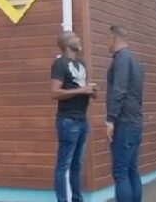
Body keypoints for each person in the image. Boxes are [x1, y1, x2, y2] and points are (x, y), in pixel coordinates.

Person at [50, 31, 97, 202]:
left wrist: (90, 92)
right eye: (75, 37)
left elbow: (81, 89)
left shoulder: (81, 64)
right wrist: (82, 90)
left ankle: (77, 199)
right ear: (67, 43)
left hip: (82, 121)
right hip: (67, 121)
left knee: (77, 165)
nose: (79, 39)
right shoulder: (59, 64)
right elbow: (54, 93)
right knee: (63, 166)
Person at [105, 24, 145, 202]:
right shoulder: (134, 61)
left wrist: (110, 119)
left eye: (108, 38)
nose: (107, 42)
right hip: (135, 121)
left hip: (124, 122)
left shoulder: (121, 59)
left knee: (120, 171)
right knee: (131, 169)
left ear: (113, 39)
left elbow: (119, 90)